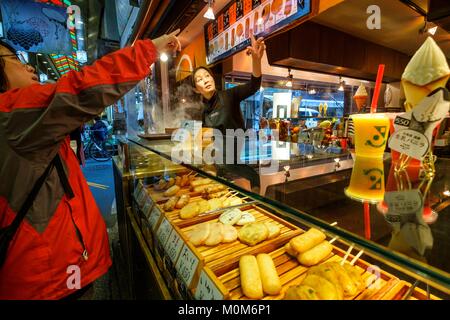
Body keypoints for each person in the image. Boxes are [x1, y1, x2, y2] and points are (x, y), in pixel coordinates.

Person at [0, 30, 181, 299]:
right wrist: (147, 51)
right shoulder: (9, 115)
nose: (27, 65)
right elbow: (80, 90)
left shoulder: (17, 124)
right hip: (49, 278)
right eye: (15, 58)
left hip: (48, 272)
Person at [191, 34, 265, 192]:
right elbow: (206, 145)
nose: (205, 79)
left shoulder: (229, 96)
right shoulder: (203, 112)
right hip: (222, 171)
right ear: (197, 89)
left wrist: (256, 60)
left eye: (207, 75)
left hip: (239, 166)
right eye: (199, 79)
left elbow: (254, 85)